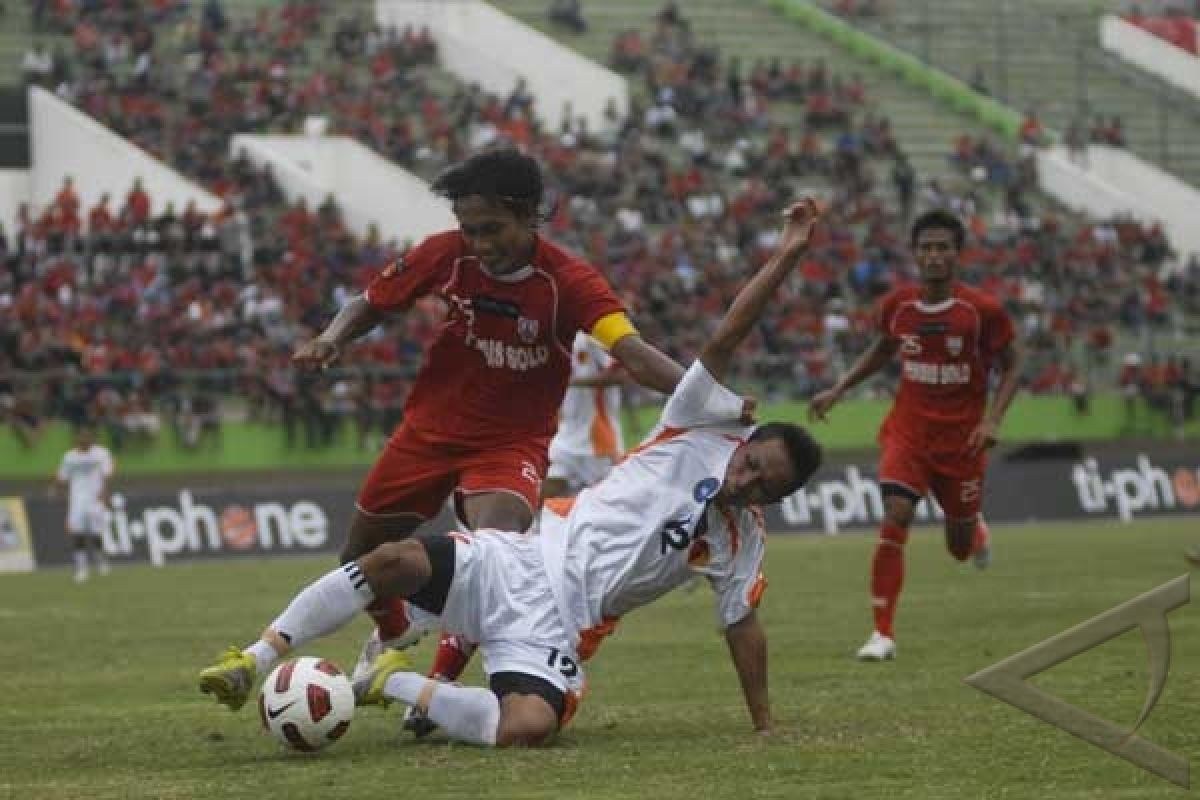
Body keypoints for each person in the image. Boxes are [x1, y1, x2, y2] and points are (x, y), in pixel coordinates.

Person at [198, 199, 827, 746]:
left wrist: (764, 725)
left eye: (764, 487)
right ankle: (253, 659)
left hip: (563, 626)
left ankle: (394, 681)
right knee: (389, 560)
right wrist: (787, 256)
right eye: (752, 464)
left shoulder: (741, 543)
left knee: (526, 727)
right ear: (744, 441)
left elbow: (741, 627)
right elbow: (726, 335)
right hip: (525, 560)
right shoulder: (700, 424)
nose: (746, 481)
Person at [288, 148, 685, 731]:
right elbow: (370, 302)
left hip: (510, 442)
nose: (479, 242)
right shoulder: (445, 255)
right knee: (357, 558)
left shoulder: (568, 281)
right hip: (430, 429)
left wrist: (710, 399)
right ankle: (395, 632)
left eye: (492, 229)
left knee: (497, 555)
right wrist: (331, 339)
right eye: (469, 229)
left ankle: (437, 687)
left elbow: (633, 354)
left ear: (528, 216)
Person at [808, 209, 1022, 662]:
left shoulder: (981, 312)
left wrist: (992, 420)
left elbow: (1014, 365)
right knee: (897, 513)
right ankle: (881, 633)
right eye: (926, 247)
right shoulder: (897, 307)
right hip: (908, 433)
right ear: (915, 254)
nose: (934, 255)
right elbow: (881, 349)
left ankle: (975, 530)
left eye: (943, 247)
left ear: (957, 254)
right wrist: (839, 388)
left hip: (962, 443)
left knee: (959, 549)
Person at [542, 332, 628, 498]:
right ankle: (536, 523)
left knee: (604, 503)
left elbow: (621, 375)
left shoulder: (595, 336)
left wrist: (573, 383)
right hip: (565, 434)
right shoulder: (557, 335)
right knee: (546, 491)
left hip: (597, 440)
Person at [51, 425, 114, 583]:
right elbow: (62, 477)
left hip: (95, 499)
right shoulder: (69, 457)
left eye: (88, 437)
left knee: (96, 533)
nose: (85, 440)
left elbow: (108, 474)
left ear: (92, 439)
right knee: (77, 534)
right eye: (82, 437)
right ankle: (81, 568)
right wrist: (55, 489)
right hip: (77, 500)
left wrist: (105, 493)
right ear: (77, 440)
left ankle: (100, 561)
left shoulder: (101, 453)